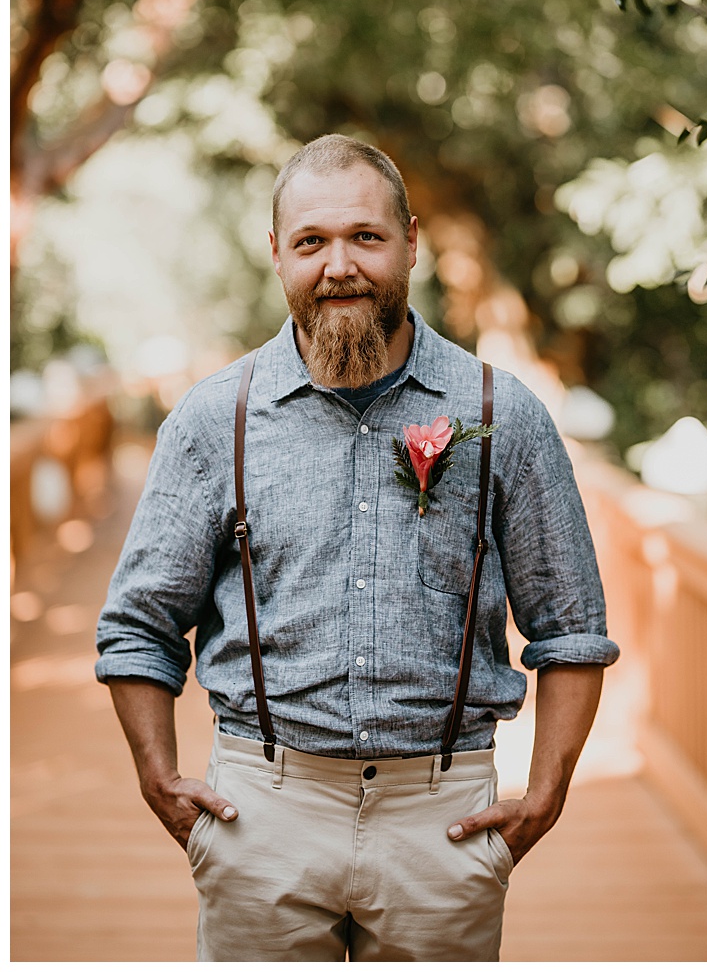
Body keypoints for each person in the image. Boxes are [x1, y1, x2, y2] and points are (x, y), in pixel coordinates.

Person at [95, 134, 618, 961]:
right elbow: (139, 626)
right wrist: (159, 778)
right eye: (312, 241)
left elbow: (572, 627)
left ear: (412, 240)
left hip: (443, 819)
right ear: (276, 254)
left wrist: (546, 792)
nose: (339, 265)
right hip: (260, 815)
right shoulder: (212, 419)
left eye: (365, 237)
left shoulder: (502, 415)